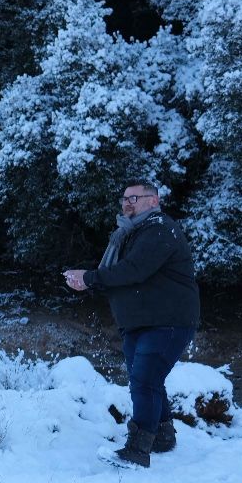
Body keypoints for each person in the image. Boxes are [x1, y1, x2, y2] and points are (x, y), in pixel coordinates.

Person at [63, 180, 200, 468]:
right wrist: (89, 281)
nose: (127, 203)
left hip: (167, 321)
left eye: (134, 198)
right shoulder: (130, 233)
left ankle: (138, 450)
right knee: (148, 379)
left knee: (145, 380)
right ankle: (162, 436)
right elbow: (121, 276)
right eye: (125, 198)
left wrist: (90, 278)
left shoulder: (160, 228)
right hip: (140, 322)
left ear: (154, 200)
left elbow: (134, 270)